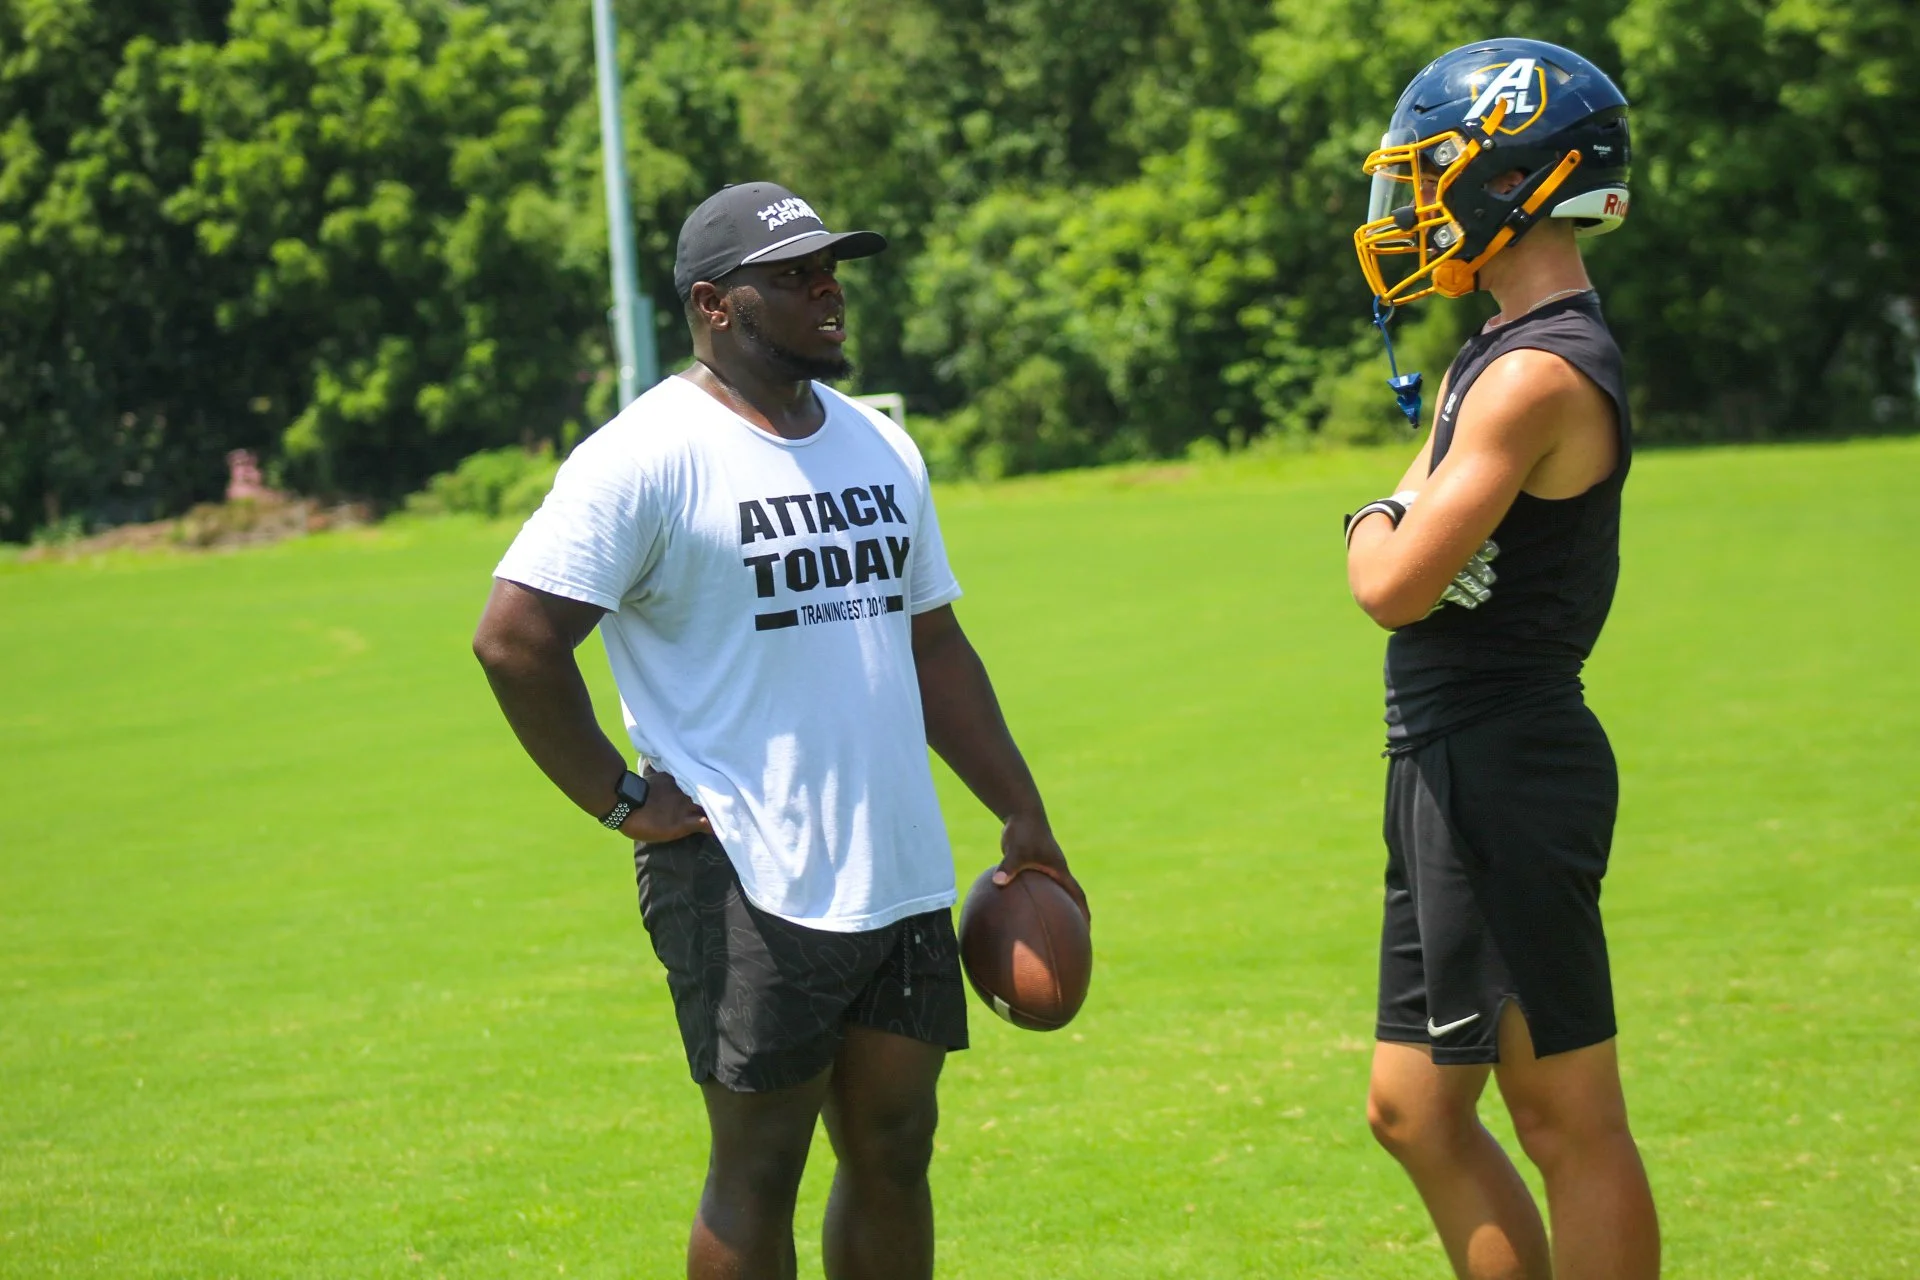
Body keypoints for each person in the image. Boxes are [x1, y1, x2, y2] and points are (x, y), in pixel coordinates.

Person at [472, 181, 1086, 1280]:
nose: (828, 289)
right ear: (715, 304)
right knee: (758, 1169)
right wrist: (622, 797)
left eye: (831, 267)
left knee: (897, 1147)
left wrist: (1019, 803)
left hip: (895, 864)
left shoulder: (878, 444)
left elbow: (932, 645)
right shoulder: (645, 456)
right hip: (741, 871)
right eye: (795, 275)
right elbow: (514, 638)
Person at [1341, 40, 1660, 1280]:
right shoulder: (1496, 345)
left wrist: (1372, 515)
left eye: (1433, 176)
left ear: (1506, 179)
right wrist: (1397, 507)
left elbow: (1388, 578)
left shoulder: (1533, 369)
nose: (1414, 206)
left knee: (1568, 1120)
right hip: (1446, 760)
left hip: (1506, 767)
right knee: (1413, 1108)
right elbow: (1411, 533)